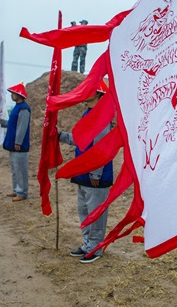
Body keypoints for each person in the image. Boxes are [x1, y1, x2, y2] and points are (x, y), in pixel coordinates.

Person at [58, 79, 113, 263]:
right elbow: (81, 138)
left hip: (95, 175)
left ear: (98, 94)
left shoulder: (102, 116)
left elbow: (102, 147)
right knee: (84, 210)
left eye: (90, 90)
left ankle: (96, 248)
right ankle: (88, 243)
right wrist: (61, 136)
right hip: (83, 172)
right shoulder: (87, 114)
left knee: (95, 212)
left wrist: (96, 172)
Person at [2, 83, 31, 202]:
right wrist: (1, 122)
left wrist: (18, 142)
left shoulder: (24, 109)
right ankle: (16, 190)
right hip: (13, 145)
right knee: (15, 169)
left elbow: (21, 127)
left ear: (19, 94)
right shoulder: (17, 107)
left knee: (20, 170)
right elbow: (12, 124)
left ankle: (22, 192)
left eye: (13, 93)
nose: (11, 95)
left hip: (19, 146)